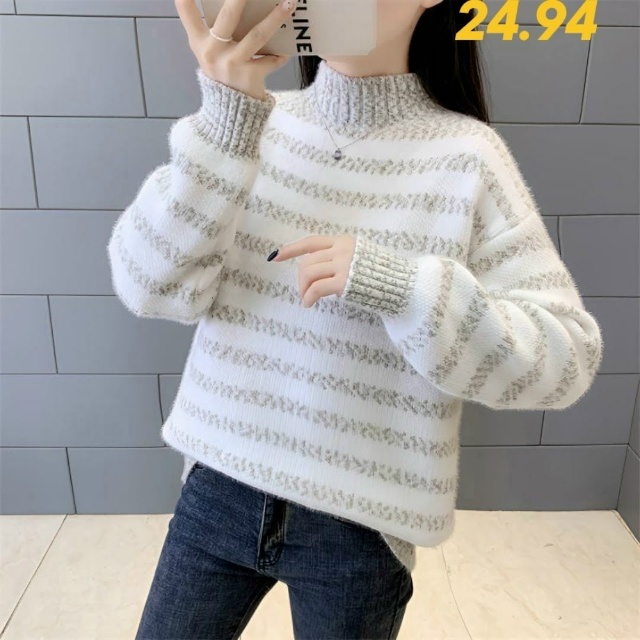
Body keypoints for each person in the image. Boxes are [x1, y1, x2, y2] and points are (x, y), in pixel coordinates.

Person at [107, 0, 605, 637]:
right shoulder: (246, 123)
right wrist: (226, 123)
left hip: (360, 527)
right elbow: (150, 286)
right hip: (219, 486)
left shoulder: (467, 159)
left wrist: (405, 286)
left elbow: (565, 359)